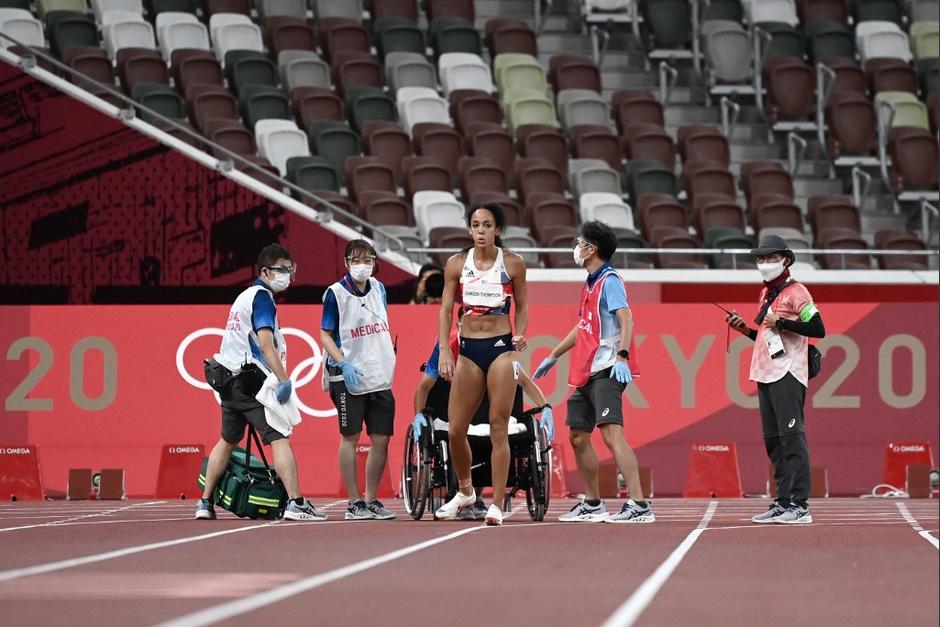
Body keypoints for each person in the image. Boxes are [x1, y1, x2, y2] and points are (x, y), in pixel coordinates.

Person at [534, 221, 653, 523]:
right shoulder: (590, 283)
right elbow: (583, 326)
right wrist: (554, 355)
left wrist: (623, 357)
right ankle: (592, 503)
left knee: (612, 435)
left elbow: (627, 320)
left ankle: (639, 505)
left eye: (580, 242)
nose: (576, 246)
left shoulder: (610, 281)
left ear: (592, 249)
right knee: (577, 435)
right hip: (587, 371)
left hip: (608, 368)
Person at [196, 244, 326, 522]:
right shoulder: (262, 298)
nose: (288, 276)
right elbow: (266, 344)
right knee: (279, 439)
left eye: (291, 270)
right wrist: (283, 379)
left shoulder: (245, 296)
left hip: (227, 381)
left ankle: (205, 502)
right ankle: (296, 503)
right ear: (265, 272)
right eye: (282, 270)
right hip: (250, 382)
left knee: (228, 440)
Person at [434, 203, 529, 526]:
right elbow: (446, 310)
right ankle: (466, 491)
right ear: (469, 229)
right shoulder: (456, 264)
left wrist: (522, 333)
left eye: (487, 226)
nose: (480, 231)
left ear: (497, 230)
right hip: (468, 350)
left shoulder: (513, 264)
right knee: (456, 429)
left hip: (501, 348)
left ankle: (498, 504)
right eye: (475, 225)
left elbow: (524, 306)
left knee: (497, 426)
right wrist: (445, 352)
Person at [724, 234, 825, 525]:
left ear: (786, 261)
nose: (764, 264)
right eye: (761, 259)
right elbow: (768, 338)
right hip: (766, 373)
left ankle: (800, 506)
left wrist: (780, 321)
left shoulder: (797, 292)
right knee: (774, 442)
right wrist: (745, 330)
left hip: (788, 373)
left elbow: (819, 327)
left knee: (792, 439)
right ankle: (782, 502)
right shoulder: (767, 293)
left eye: (770, 258)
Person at [412, 334, 554, 520]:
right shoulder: (445, 348)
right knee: (458, 434)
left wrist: (546, 407)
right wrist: (418, 415)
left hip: (491, 419)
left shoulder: (496, 345)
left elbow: (524, 381)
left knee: (492, 435)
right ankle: (464, 493)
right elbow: (423, 387)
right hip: (457, 416)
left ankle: (477, 498)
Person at [320, 239, 397, 521]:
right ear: (346, 262)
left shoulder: (379, 289)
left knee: (381, 439)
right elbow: (325, 334)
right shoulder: (335, 294)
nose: (362, 265)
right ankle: (354, 502)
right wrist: (342, 362)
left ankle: (372, 499)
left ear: (375, 262)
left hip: (378, 376)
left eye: (368, 259)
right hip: (347, 375)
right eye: (356, 259)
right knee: (350, 437)